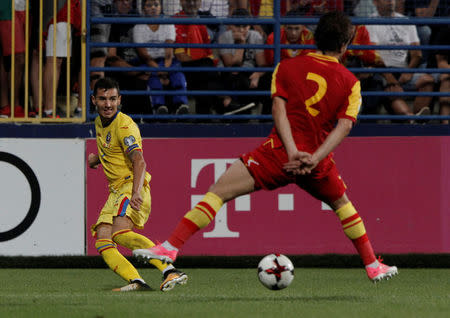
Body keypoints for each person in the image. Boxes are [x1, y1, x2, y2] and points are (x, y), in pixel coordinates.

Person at [133, 11, 399, 283]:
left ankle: (171, 246)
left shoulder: (286, 67)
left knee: (218, 192)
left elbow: (278, 110)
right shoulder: (351, 83)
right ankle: (371, 265)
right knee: (343, 205)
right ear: (345, 45)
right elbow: (344, 126)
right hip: (317, 162)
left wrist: (292, 150)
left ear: (315, 37)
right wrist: (315, 157)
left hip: (278, 154)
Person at [88, 77, 188, 292]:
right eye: (103, 99)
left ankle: (170, 270)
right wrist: (97, 158)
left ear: (120, 99)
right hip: (115, 191)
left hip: (130, 186)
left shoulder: (124, 125)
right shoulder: (99, 122)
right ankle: (137, 282)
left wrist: (135, 193)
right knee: (103, 240)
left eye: (113, 99)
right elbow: (112, 148)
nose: (108, 104)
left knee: (120, 234)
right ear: (93, 100)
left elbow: (139, 160)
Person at [366, 0, 434, 118]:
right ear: (375, 2)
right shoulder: (369, 22)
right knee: (391, 89)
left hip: (403, 70)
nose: (390, 1)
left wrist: (409, 71)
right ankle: (411, 120)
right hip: (381, 72)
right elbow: (374, 56)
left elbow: (417, 53)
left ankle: (418, 119)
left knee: (428, 80)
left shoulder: (406, 21)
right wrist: (391, 79)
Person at [134, 0, 189, 115]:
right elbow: (145, 56)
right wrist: (159, 72)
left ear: (160, 7)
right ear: (143, 8)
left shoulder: (168, 24)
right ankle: (159, 108)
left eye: (156, 5)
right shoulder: (138, 27)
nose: (153, 8)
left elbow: (169, 53)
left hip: (168, 62)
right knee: (152, 78)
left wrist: (165, 70)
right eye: (149, 5)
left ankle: (181, 106)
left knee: (178, 75)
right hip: (150, 62)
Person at [173, 0, 223, 114]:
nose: (191, 3)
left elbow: (209, 55)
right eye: (188, 0)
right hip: (182, 69)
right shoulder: (175, 21)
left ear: (200, 3)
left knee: (206, 76)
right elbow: (180, 56)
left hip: (201, 71)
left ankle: (204, 114)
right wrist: (202, 63)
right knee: (206, 69)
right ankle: (223, 104)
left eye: (195, 0)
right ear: (181, 2)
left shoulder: (201, 23)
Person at [217, 8, 270, 114]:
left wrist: (258, 75)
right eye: (237, 26)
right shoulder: (224, 37)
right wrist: (241, 43)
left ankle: (264, 121)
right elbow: (231, 64)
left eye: (245, 26)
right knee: (236, 78)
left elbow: (262, 64)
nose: (241, 30)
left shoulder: (255, 36)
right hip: (227, 74)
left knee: (267, 82)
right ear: (231, 25)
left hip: (248, 74)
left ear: (249, 26)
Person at [105, 0, 153, 116]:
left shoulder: (142, 23)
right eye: (121, 1)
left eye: (129, 1)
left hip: (143, 71)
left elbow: (153, 54)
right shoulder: (112, 24)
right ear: (115, 3)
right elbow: (112, 58)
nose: (125, 3)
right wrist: (137, 71)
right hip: (123, 73)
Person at [0, 0, 26, 118]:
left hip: (22, 7)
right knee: (18, 57)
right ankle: (10, 105)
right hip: (7, 7)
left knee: (14, 57)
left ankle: (8, 105)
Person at [434, 26, 450, 124]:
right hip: (448, 71)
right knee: (446, 80)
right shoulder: (446, 30)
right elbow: (441, 63)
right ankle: (445, 126)